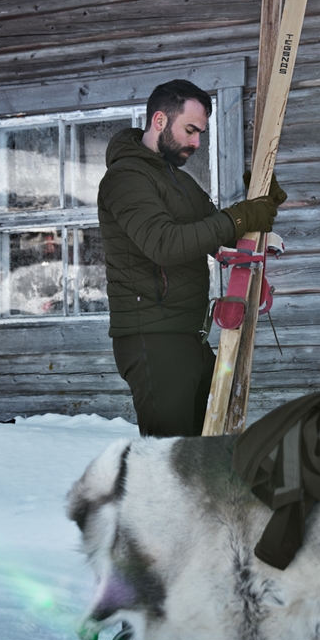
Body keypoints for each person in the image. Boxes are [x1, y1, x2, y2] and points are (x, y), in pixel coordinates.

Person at [98, 79, 284, 437]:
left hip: (190, 337)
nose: (197, 142)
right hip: (154, 339)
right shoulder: (125, 178)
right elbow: (164, 243)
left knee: (207, 448)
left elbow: (222, 230)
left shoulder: (177, 182)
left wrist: (263, 200)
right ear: (159, 121)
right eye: (191, 130)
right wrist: (241, 216)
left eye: (201, 133)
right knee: (169, 462)